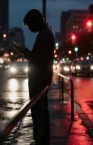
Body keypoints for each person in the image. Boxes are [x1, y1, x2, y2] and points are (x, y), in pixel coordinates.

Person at [16, 9, 54, 145]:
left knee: (39, 114)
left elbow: (37, 59)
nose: (30, 29)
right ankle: (42, 140)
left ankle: (41, 141)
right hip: (42, 79)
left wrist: (24, 51)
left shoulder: (44, 35)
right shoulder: (45, 34)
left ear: (36, 21)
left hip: (39, 81)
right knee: (41, 112)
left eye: (31, 25)